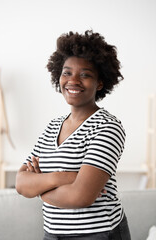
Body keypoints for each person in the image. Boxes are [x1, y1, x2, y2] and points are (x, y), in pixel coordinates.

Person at [16, 30, 131, 240]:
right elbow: (21, 184)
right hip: (52, 234)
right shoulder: (52, 127)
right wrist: (65, 177)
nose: (73, 80)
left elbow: (80, 196)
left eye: (85, 74)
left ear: (100, 83)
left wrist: (40, 187)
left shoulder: (107, 127)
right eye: (67, 72)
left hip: (98, 234)